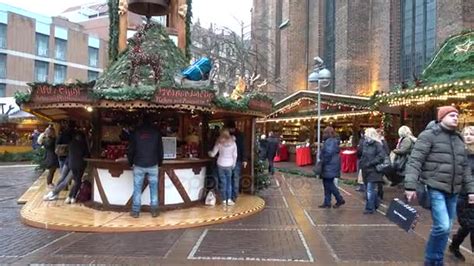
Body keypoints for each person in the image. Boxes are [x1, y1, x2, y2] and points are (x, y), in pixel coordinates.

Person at [405, 106, 474, 266]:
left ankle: (437, 259)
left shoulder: (458, 139)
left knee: (446, 227)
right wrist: (410, 185)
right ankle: (432, 260)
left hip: (454, 190)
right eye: (451, 115)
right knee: (443, 226)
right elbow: (415, 160)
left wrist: (471, 190)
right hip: (435, 187)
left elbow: (464, 169)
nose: (455, 118)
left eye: (457, 115)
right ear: (441, 117)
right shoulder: (429, 135)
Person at [127, 115, 164, 218]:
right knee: (154, 188)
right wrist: (160, 163)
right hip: (153, 164)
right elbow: (160, 150)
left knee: (137, 188)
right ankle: (154, 210)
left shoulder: (136, 133)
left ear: (140, 121)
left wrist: (130, 163)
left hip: (138, 164)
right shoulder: (156, 133)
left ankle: (135, 211)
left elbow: (131, 150)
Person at [449, 126, 474, 261]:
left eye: (472, 134)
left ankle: (455, 244)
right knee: (469, 225)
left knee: (468, 226)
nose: (469, 136)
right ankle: (455, 244)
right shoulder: (458, 154)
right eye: (466, 134)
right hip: (464, 196)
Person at [43, 130, 90, 203]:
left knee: (62, 178)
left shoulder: (71, 142)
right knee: (66, 181)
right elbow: (87, 154)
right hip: (75, 163)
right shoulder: (83, 144)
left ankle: (54, 193)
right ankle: (54, 193)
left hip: (68, 161)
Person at [358, 127, 386, 214]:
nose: (365, 136)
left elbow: (381, 156)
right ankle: (375, 203)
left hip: (374, 170)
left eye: (366, 135)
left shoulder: (378, 145)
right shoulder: (365, 144)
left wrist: (371, 162)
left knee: (370, 189)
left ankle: (369, 208)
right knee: (368, 189)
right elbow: (361, 155)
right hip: (365, 169)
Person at [208, 129, 238, 206]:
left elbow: (213, 154)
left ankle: (224, 200)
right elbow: (235, 155)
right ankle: (229, 199)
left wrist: (209, 153)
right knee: (229, 183)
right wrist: (233, 164)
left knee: (223, 182)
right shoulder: (233, 143)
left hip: (220, 163)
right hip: (230, 164)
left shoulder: (219, 143)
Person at [318, 126, 345, 208]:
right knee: (327, 184)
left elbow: (328, 153)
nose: (323, 135)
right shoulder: (332, 141)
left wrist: (323, 161)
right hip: (332, 166)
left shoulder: (330, 142)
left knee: (329, 184)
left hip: (329, 166)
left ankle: (339, 199)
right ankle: (327, 202)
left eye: (324, 133)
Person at [225, 121, 247, 202]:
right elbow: (244, 147)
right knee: (234, 178)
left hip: (234, 159)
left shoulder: (238, 136)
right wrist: (244, 159)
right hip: (235, 159)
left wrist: (244, 159)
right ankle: (232, 196)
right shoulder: (240, 135)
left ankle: (232, 196)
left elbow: (243, 147)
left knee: (233, 178)